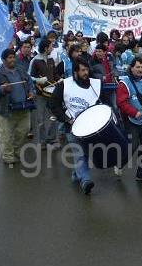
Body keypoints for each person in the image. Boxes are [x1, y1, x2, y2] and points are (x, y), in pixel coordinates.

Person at [48, 57, 103, 195]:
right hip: (71, 127)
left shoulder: (95, 85)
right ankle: (85, 181)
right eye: (83, 70)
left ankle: (76, 174)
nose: (86, 72)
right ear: (75, 72)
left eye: (87, 69)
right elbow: (53, 104)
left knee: (85, 154)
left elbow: (103, 104)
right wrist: (66, 118)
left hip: (90, 127)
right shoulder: (64, 85)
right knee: (80, 153)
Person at [0, 49, 36, 165]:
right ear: (4, 60)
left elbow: (29, 83)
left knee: (24, 131)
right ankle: (8, 156)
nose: (12, 59)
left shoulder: (21, 70)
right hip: (6, 109)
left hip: (23, 107)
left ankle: (16, 150)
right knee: (6, 135)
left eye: (13, 57)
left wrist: (31, 92)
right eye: (9, 58)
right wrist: (2, 89)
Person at [29, 39, 60, 149]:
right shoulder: (35, 60)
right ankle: (42, 141)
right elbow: (29, 77)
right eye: (51, 46)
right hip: (40, 93)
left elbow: (55, 74)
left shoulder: (51, 59)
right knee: (40, 119)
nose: (52, 48)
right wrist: (38, 80)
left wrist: (60, 79)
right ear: (46, 48)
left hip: (52, 92)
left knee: (53, 116)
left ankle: (52, 139)